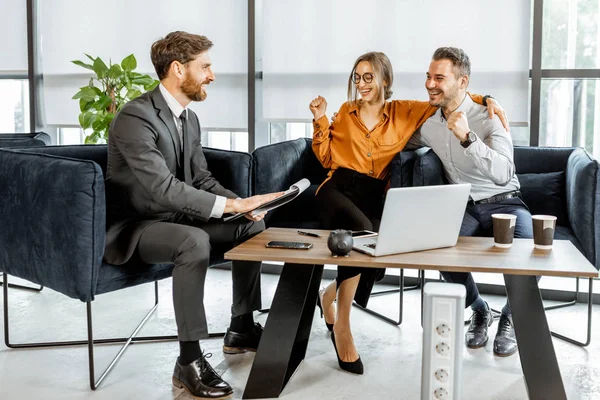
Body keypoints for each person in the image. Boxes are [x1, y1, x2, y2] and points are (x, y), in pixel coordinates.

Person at [103, 31, 282, 399]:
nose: (211, 76)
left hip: (178, 216)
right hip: (140, 227)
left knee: (252, 227)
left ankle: (241, 327)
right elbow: (161, 188)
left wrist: (244, 205)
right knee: (193, 241)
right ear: (177, 69)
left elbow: (200, 178)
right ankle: (188, 360)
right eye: (205, 67)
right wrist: (230, 206)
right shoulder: (134, 118)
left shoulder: (189, 118)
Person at [309, 51, 508, 374]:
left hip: (374, 195)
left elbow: (448, 99)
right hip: (338, 189)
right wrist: (320, 119)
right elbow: (326, 158)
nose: (361, 84)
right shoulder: (345, 112)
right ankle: (343, 328)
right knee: (360, 235)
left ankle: (327, 295)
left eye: (368, 77)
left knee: (379, 256)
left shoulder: (405, 112)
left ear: (385, 80)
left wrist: (485, 98)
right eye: (357, 78)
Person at [408, 46, 532, 357]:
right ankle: (479, 308)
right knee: (438, 248)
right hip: (463, 206)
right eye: (428, 77)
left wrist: (467, 138)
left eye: (440, 78)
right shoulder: (428, 124)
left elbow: (504, 172)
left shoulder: (489, 116)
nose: (430, 84)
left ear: (463, 82)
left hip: (506, 202)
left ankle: (511, 316)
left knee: (530, 253)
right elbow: (392, 135)